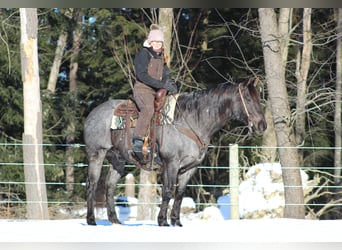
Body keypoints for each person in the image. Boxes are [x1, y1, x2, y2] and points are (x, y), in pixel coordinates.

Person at [131, 24, 178, 161]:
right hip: (143, 89)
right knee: (148, 109)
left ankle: (155, 146)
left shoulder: (162, 57)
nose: (157, 44)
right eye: (155, 41)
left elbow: (166, 75)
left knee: (165, 113)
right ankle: (138, 141)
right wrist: (161, 84)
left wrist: (171, 85)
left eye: (160, 42)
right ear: (150, 42)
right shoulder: (143, 54)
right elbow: (142, 75)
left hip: (156, 91)